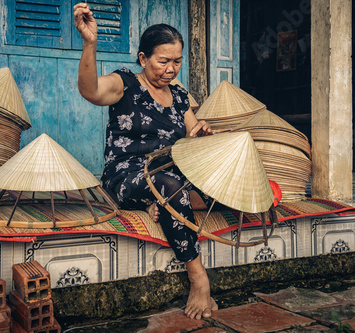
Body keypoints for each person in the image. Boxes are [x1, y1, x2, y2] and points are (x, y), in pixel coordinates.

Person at [74, 3, 217, 320]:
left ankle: (157, 205)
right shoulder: (124, 82)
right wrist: (89, 43)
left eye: (177, 61)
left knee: (215, 190)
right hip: (126, 175)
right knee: (170, 188)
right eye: (163, 61)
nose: (171, 69)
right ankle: (198, 278)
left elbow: (190, 135)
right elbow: (90, 90)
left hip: (169, 171)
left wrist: (202, 134)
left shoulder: (179, 94)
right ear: (143, 58)